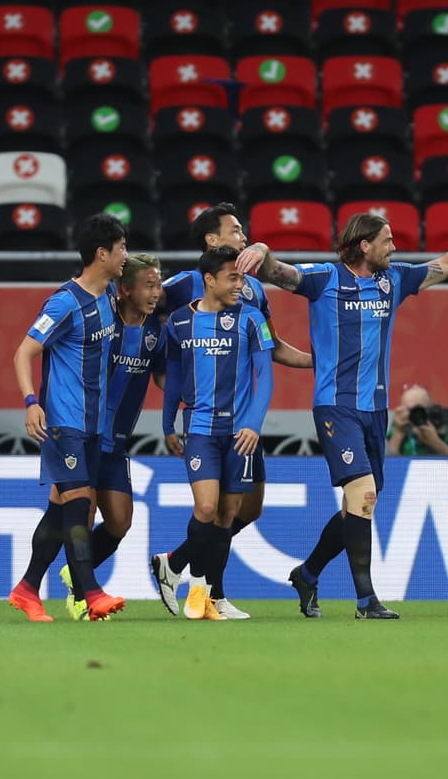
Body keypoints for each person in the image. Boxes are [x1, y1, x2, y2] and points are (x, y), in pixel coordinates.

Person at [237, 187, 448, 619]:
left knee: (357, 506)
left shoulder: (393, 280)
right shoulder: (325, 279)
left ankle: (307, 573)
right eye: (387, 240)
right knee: (362, 494)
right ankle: (366, 601)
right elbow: (280, 274)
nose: (394, 247)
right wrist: (263, 249)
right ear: (364, 245)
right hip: (335, 406)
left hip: (375, 410)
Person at [152, 203, 311, 619]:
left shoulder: (252, 294)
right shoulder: (179, 289)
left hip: (241, 423)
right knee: (213, 510)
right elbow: (151, 324)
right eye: (236, 230)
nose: (244, 237)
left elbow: (271, 348)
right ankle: (209, 594)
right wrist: (172, 396)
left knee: (245, 510)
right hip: (203, 421)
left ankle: (177, 563)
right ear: (212, 240)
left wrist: (317, 361)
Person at [6, 214, 129, 623]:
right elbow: (23, 352)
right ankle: (91, 592)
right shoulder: (64, 303)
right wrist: (30, 402)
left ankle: (27, 589)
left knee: (61, 509)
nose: (125, 256)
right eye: (121, 249)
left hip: (93, 424)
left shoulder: (109, 294)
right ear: (101, 254)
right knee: (79, 504)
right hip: (63, 421)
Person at [154, 246, 274, 621]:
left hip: (240, 434)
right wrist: (167, 424)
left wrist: (254, 424)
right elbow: (174, 377)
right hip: (200, 431)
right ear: (209, 280)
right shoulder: (179, 322)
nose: (240, 285)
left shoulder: (252, 319)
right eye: (232, 278)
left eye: (242, 278)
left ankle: (210, 596)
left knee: (226, 516)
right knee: (206, 508)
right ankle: (195, 589)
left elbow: (265, 376)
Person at [58, 253, 166, 620]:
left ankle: (75, 572)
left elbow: (162, 377)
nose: (156, 292)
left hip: (117, 443)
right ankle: (81, 594)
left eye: (158, 285)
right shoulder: (104, 321)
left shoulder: (157, 332)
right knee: (82, 515)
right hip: (83, 434)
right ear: (125, 290)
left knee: (120, 522)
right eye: (149, 285)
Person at [386, 383, 448, 457]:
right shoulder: (394, 433)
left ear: (430, 409)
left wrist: (436, 442)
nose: (416, 414)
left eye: (420, 410)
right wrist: (399, 432)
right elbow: (384, 462)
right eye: (410, 410)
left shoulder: (445, 433)